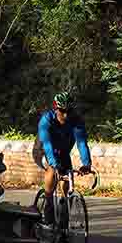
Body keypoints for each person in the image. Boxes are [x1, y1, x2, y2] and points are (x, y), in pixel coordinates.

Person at [37, 91, 92, 225]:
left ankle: (63, 221)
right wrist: (54, 163)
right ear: (56, 109)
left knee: (66, 183)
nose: (66, 115)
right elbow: (47, 145)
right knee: (52, 169)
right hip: (43, 150)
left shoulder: (76, 120)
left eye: (69, 111)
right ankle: (48, 201)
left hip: (63, 152)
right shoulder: (47, 119)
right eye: (62, 111)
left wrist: (87, 163)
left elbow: (81, 143)